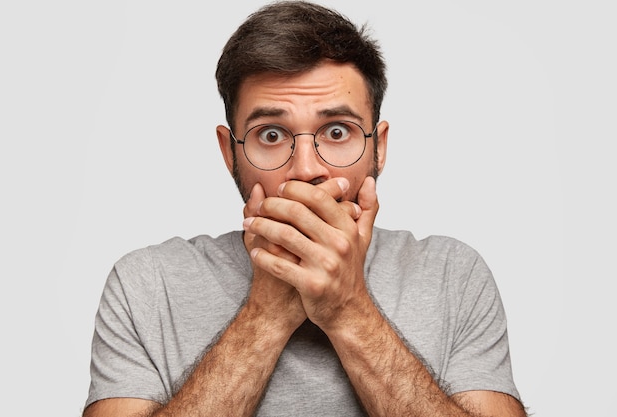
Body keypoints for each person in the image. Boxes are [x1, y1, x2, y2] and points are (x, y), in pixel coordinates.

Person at [83, 1, 526, 416]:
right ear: (229, 153)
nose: (307, 170)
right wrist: (266, 313)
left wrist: (348, 309)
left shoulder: (453, 274)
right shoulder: (146, 285)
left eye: (337, 131)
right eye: (271, 135)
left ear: (379, 147)